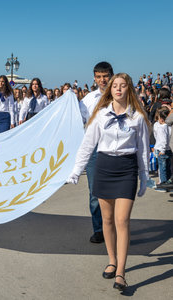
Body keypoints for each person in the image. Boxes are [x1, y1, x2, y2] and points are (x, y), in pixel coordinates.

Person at [67, 73, 149, 291]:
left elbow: (142, 150)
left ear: (129, 89)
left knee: (122, 220)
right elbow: (87, 145)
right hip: (104, 167)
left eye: (123, 86)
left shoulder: (137, 117)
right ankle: (112, 260)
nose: (119, 89)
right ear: (110, 89)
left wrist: (144, 177)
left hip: (127, 169)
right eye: (115, 86)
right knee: (108, 220)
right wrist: (76, 170)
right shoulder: (101, 115)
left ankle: (121, 272)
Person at [79, 61, 114, 244]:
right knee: (94, 193)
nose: (102, 80)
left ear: (111, 75)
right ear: (94, 78)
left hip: (113, 149)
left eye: (105, 76)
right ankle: (99, 229)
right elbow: (76, 119)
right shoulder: (88, 100)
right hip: (94, 150)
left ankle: (115, 228)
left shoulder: (121, 96)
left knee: (115, 192)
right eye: (99, 77)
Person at [153, 107, 172, 184]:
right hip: (168, 149)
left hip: (162, 150)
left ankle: (163, 184)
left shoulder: (161, 128)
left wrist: (162, 150)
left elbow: (163, 140)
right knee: (167, 168)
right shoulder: (169, 126)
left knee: (162, 168)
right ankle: (168, 183)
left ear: (161, 118)